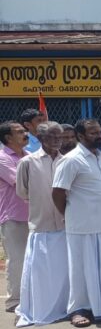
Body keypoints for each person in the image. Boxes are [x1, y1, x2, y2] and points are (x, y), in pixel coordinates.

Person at [51, 119, 101, 327]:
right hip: (82, 224)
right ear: (80, 136)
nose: (99, 135)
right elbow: (58, 192)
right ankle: (77, 309)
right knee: (80, 268)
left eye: (99, 131)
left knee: (98, 268)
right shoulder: (72, 160)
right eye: (93, 132)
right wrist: (69, 214)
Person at [14, 122, 69, 326]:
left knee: (64, 271)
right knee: (41, 272)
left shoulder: (67, 161)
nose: (56, 141)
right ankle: (42, 308)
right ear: (41, 138)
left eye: (59, 137)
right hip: (42, 223)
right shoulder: (28, 162)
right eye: (52, 137)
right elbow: (22, 192)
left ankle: (65, 306)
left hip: (65, 224)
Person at [0, 121, 30, 312]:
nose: (26, 134)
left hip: (33, 215)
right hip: (13, 216)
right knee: (17, 258)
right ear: (8, 138)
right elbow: (19, 182)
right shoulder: (2, 158)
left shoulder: (28, 156)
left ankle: (31, 296)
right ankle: (14, 301)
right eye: (20, 132)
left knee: (32, 258)